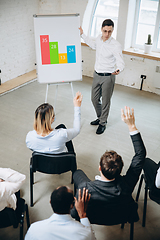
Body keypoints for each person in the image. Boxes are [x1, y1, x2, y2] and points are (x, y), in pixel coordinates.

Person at [71, 106, 146, 220]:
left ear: (100, 168)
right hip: (121, 216)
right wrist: (131, 126)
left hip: (94, 217)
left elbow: (74, 214)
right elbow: (140, 154)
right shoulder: (127, 184)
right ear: (121, 170)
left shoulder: (86, 188)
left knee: (77, 173)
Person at [79, 19, 125, 134]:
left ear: (112, 30)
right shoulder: (99, 39)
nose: (107, 34)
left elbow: (121, 61)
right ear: (101, 29)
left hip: (108, 76)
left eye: (110, 31)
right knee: (94, 99)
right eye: (105, 31)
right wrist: (82, 34)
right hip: (96, 74)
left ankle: (102, 123)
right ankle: (100, 118)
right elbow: (92, 44)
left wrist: (119, 69)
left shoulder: (116, 45)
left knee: (105, 101)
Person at [25, 186, 96, 240]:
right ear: (72, 205)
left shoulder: (34, 229)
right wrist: (82, 214)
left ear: (50, 202)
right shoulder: (85, 233)